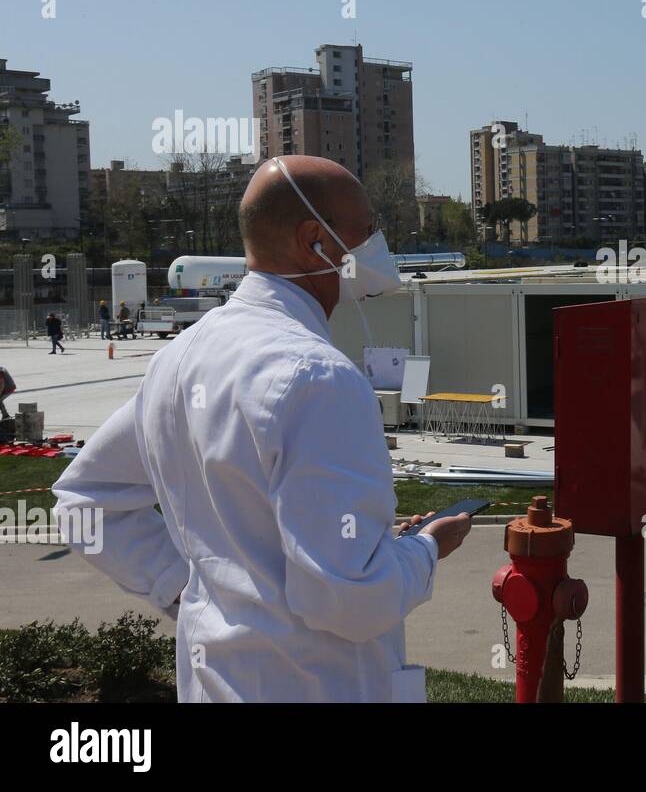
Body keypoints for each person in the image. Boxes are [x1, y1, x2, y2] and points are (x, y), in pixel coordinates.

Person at [54, 155, 472, 702]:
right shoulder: (319, 377)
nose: (378, 245)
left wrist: (190, 588)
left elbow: (85, 501)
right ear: (313, 240)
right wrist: (425, 550)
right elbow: (349, 598)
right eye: (367, 231)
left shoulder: (179, 359)